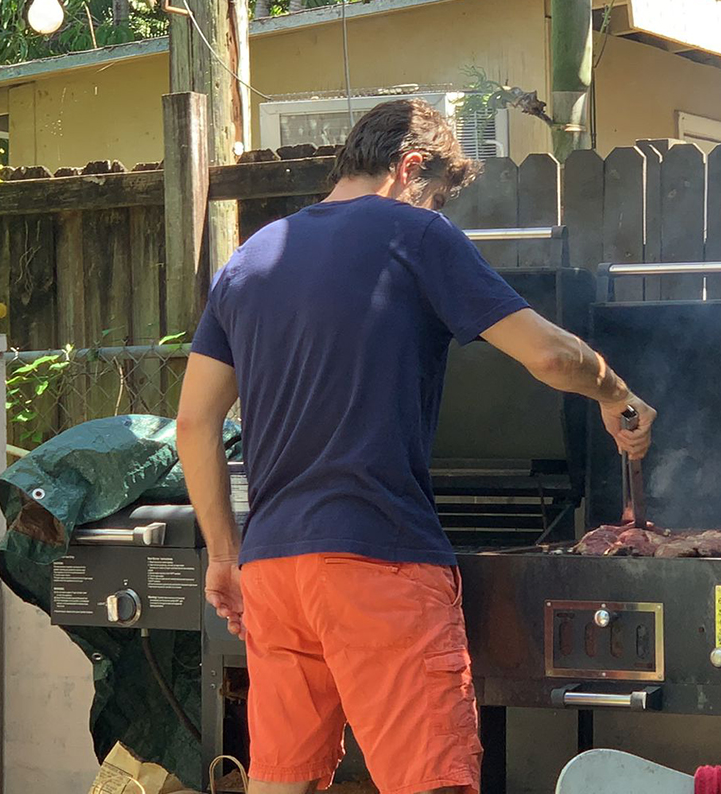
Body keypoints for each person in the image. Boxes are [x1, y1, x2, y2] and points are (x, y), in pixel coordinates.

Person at [176, 98, 656, 794]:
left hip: (274, 571)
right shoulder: (414, 234)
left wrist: (224, 555)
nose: (435, 215)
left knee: (283, 781)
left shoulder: (250, 259)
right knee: (431, 781)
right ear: (408, 170)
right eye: (434, 200)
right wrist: (616, 394)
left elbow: (195, 425)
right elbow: (549, 357)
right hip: (378, 560)